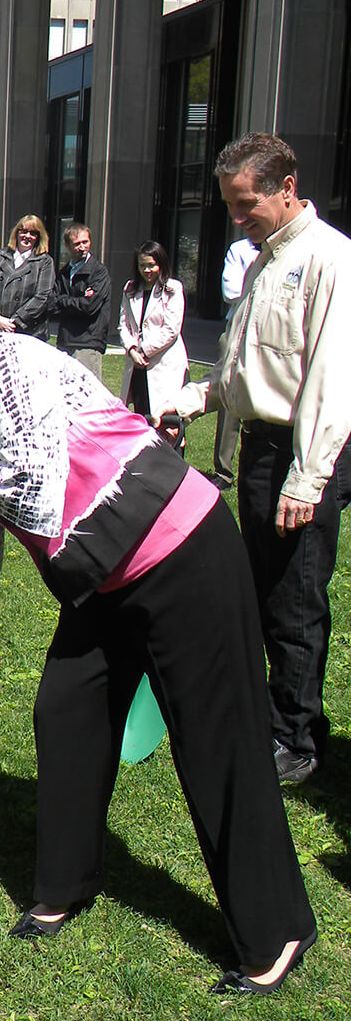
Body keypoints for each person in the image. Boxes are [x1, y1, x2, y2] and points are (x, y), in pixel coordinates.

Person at [0, 279, 317, 995]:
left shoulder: (6, 364)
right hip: (106, 575)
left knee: (216, 738)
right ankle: (65, 886)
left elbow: (31, 494)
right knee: (68, 712)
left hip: (180, 549)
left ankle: (276, 932)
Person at [163, 133, 351, 786]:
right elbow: (246, 365)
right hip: (260, 449)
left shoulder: (329, 258)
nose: (237, 217)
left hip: (303, 452)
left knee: (294, 599)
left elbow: (331, 379)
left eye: (246, 203)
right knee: (264, 591)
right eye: (230, 205)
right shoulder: (263, 261)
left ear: (285, 188)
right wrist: (195, 399)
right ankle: (274, 718)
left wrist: (309, 477)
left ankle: (296, 739)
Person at [118, 240, 189, 443]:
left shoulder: (173, 288)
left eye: (152, 265)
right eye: (143, 265)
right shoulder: (130, 288)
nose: (147, 270)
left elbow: (171, 329)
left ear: (161, 264)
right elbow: (123, 325)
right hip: (138, 365)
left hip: (162, 364)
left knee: (166, 421)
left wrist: (144, 351)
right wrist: (132, 350)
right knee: (143, 417)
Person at [208, 233, 260, 490]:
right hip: (239, 327)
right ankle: (224, 470)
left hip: (270, 333)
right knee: (228, 396)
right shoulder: (240, 249)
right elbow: (231, 292)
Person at [0, 215, 55, 340]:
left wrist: (14, 321)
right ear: (17, 233)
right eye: (24, 231)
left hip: (28, 332)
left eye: (33, 233)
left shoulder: (44, 261)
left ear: (39, 237)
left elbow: (42, 296)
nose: (27, 236)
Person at [50, 223, 111, 378]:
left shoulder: (98, 272)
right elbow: (52, 307)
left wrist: (63, 300)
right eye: (77, 244)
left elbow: (89, 307)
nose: (82, 247)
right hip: (65, 342)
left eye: (85, 242)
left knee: (86, 390)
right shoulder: (64, 273)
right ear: (67, 246)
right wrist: (77, 300)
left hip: (88, 342)